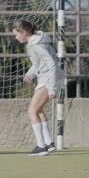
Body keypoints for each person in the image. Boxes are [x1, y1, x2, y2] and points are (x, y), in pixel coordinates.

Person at [12, 20, 64, 156]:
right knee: (38, 110)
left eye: (16, 34)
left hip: (48, 79)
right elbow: (40, 63)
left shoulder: (36, 45)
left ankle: (41, 147)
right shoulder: (38, 42)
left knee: (32, 111)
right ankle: (49, 143)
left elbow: (51, 64)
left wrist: (52, 88)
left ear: (23, 32)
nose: (16, 37)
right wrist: (30, 74)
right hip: (49, 78)